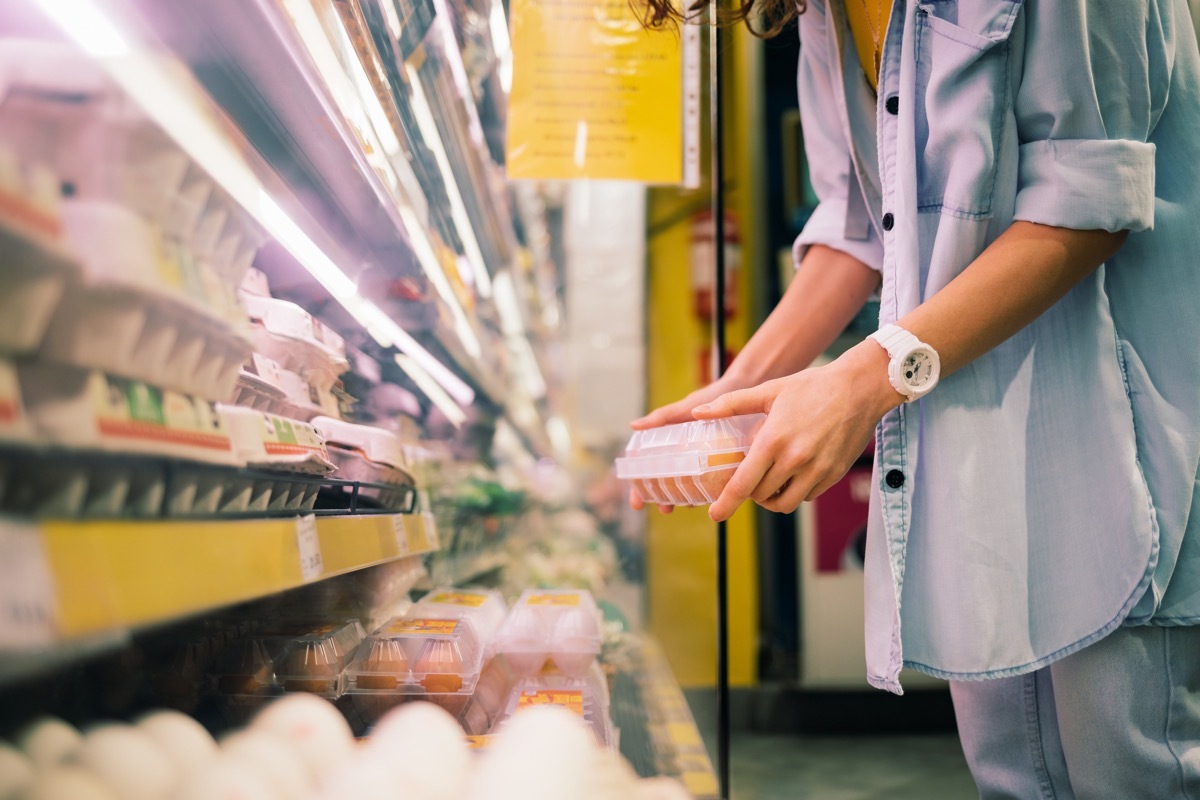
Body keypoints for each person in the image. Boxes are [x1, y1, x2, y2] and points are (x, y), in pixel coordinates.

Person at [632, 0, 1200, 796]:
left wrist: (865, 381)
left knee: (1128, 772)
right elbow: (857, 228)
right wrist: (732, 397)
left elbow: (1085, 206)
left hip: (1111, 442)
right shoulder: (824, 14)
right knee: (1013, 777)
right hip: (969, 441)